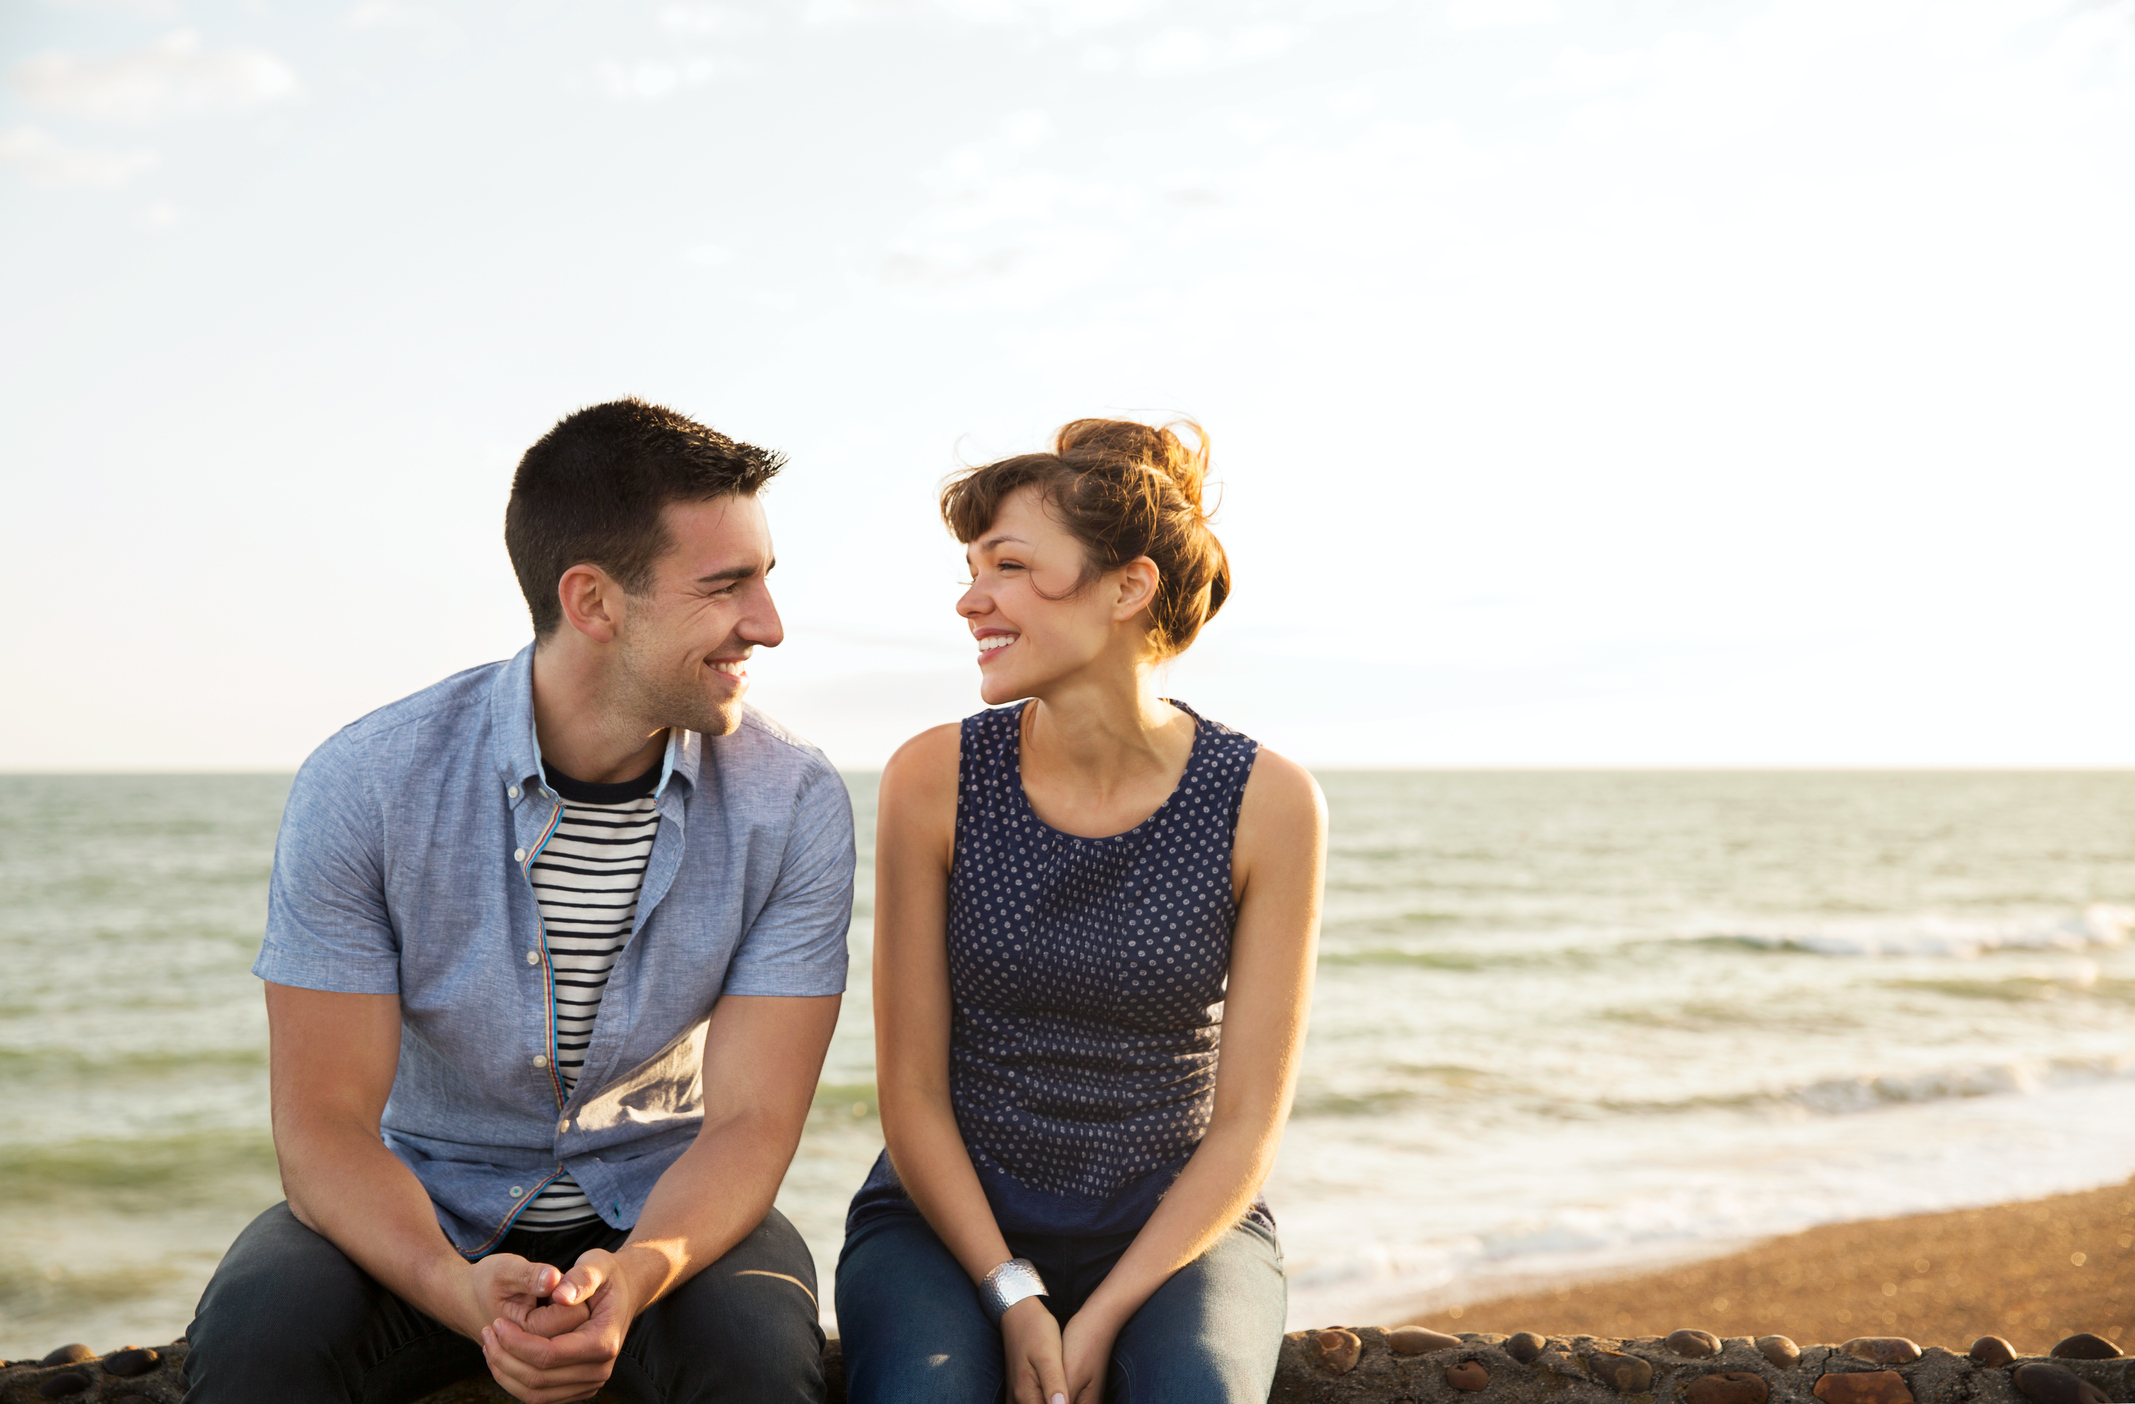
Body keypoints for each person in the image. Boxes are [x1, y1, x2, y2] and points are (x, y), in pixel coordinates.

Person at [184, 399, 854, 1404]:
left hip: (664, 1209)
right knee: (254, 1341)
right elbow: (323, 1127)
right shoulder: (367, 782)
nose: (768, 623)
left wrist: (630, 1280)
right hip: (419, 1211)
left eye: (764, 578)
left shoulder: (792, 799)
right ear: (592, 602)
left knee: (757, 1360)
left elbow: (750, 1123)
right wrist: (451, 1291)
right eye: (727, 586)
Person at [834, 418, 1327, 1404]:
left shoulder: (1268, 801)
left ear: (1127, 587)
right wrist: (1012, 1292)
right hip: (945, 1223)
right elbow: (913, 1097)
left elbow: (1243, 1126)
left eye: (1008, 566)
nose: (971, 599)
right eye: (972, 569)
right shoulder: (930, 778)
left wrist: (1101, 1312)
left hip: (1176, 1232)